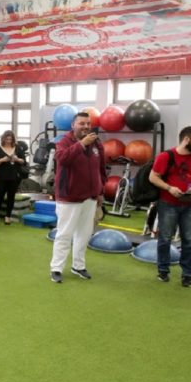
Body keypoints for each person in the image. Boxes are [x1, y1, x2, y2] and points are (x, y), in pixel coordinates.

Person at [149, 126, 191, 288]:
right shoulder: (165, 156)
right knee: (165, 238)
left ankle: (187, 274)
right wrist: (169, 188)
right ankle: (163, 270)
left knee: (189, 240)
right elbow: (153, 177)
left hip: (190, 206)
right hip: (167, 204)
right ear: (186, 139)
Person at [49, 112, 106, 284]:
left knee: (84, 234)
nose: (86, 126)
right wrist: (81, 144)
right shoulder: (64, 142)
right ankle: (56, 268)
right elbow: (62, 159)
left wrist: (100, 191)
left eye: (88, 123)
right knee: (64, 234)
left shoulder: (96, 144)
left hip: (90, 197)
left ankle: (78, 266)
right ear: (73, 125)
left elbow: (101, 169)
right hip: (69, 197)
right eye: (82, 123)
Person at [0, 130, 28, 225]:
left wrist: (17, 159)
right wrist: (2, 160)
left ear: (13, 139)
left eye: (10, 139)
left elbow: (23, 161)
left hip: (14, 177)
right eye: (7, 139)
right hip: (2, 176)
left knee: (11, 197)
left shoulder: (18, 148)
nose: (8, 141)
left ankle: (8, 216)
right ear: (3, 139)